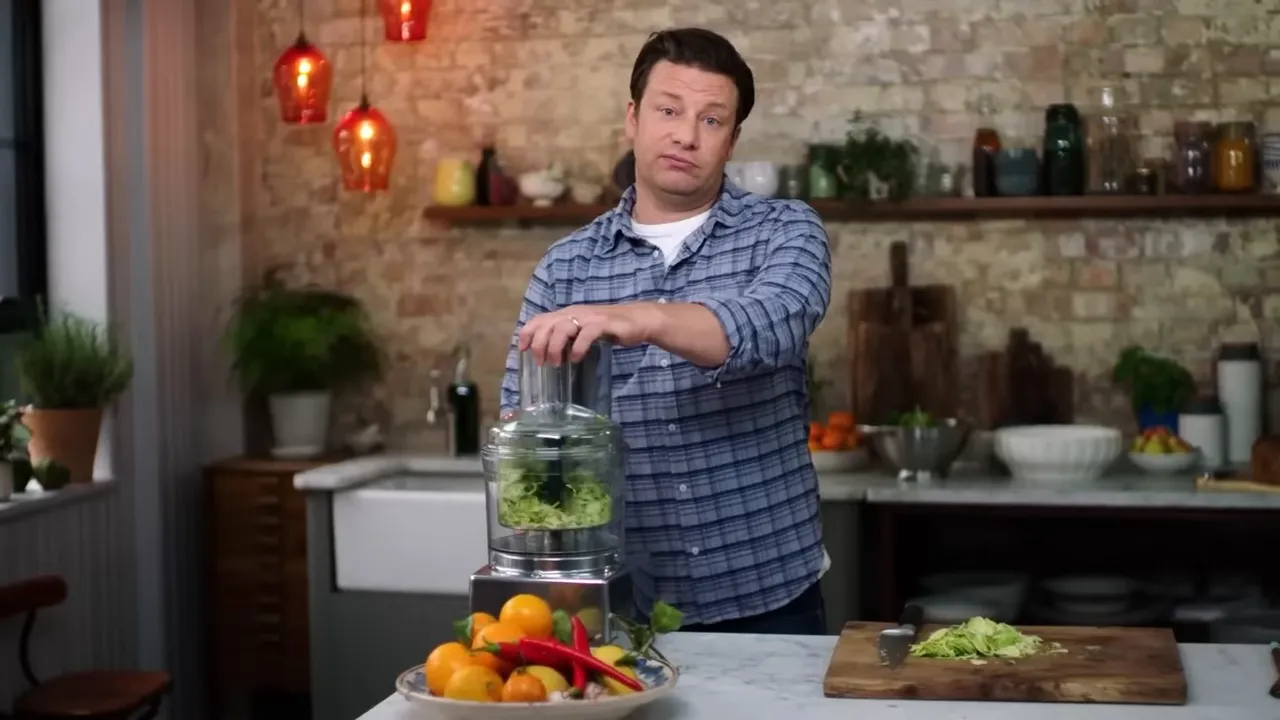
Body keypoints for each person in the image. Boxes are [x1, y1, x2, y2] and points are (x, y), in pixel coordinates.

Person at [499, 27, 832, 635]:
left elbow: (773, 325)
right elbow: (526, 432)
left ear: (732, 140)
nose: (686, 135)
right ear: (633, 117)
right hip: (616, 602)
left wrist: (640, 317)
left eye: (712, 120)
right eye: (669, 110)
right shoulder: (566, 267)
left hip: (768, 595)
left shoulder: (786, 230)